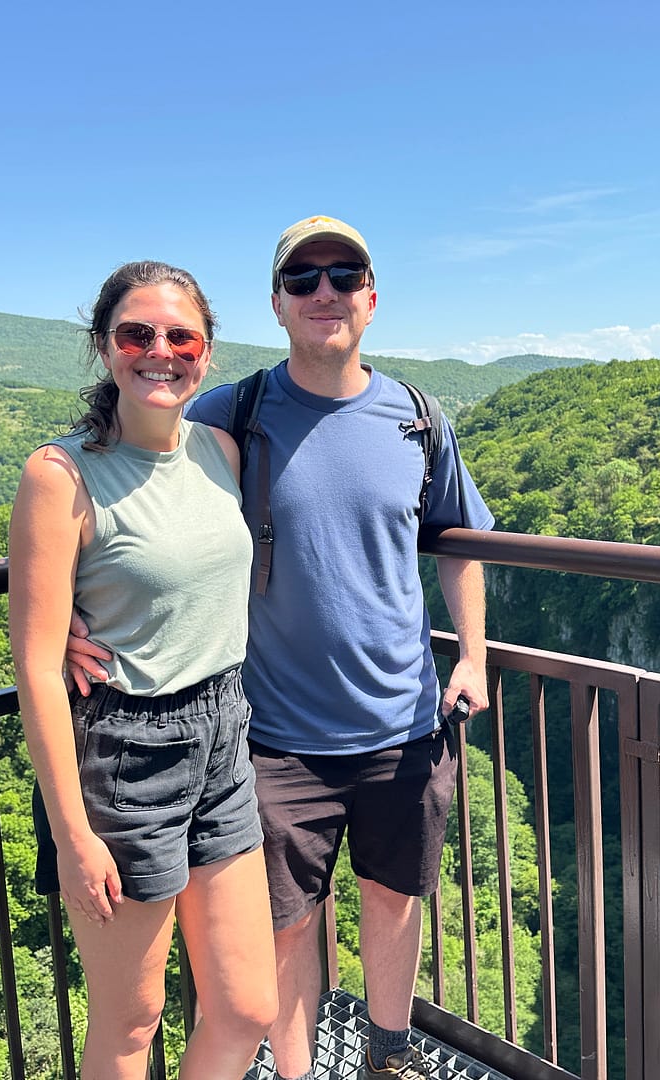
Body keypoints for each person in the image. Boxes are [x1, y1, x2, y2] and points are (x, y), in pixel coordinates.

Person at [69, 217, 494, 1080]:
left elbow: (458, 541)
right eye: (303, 278)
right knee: (288, 924)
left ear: (371, 298)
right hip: (274, 735)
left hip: (404, 720)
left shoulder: (418, 419)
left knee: (394, 898)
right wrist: (75, 607)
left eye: (343, 275)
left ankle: (387, 1056)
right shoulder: (235, 414)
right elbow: (126, 469)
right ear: (277, 303)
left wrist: (475, 655)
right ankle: (298, 1073)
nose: (324, 292)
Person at [10, 260, 277, 1080]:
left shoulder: (219, 451)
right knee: (132, 1022)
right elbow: (37, 667)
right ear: (104, 347)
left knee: (247, 1008)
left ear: (206, 354)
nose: (160, 352)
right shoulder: (61, 475)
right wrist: (73, 837)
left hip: (223, 734)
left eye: (181, 338)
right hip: (125, 752)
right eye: (137, 334)